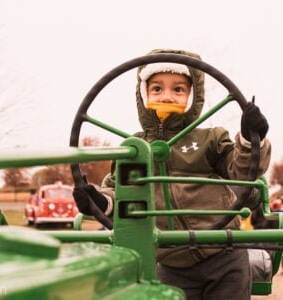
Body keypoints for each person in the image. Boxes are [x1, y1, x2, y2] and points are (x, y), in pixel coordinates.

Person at [73, 49, 271, 299]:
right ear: (143, 94)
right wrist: (100, 201)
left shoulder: (210, 140)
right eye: (157, 88)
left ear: (193, 95)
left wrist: (250, 139)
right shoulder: (134, 148)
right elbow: (119, 190)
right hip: (169, 260)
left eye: (178, 89)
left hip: (224, 252)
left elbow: (242, 173)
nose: (166, 97)